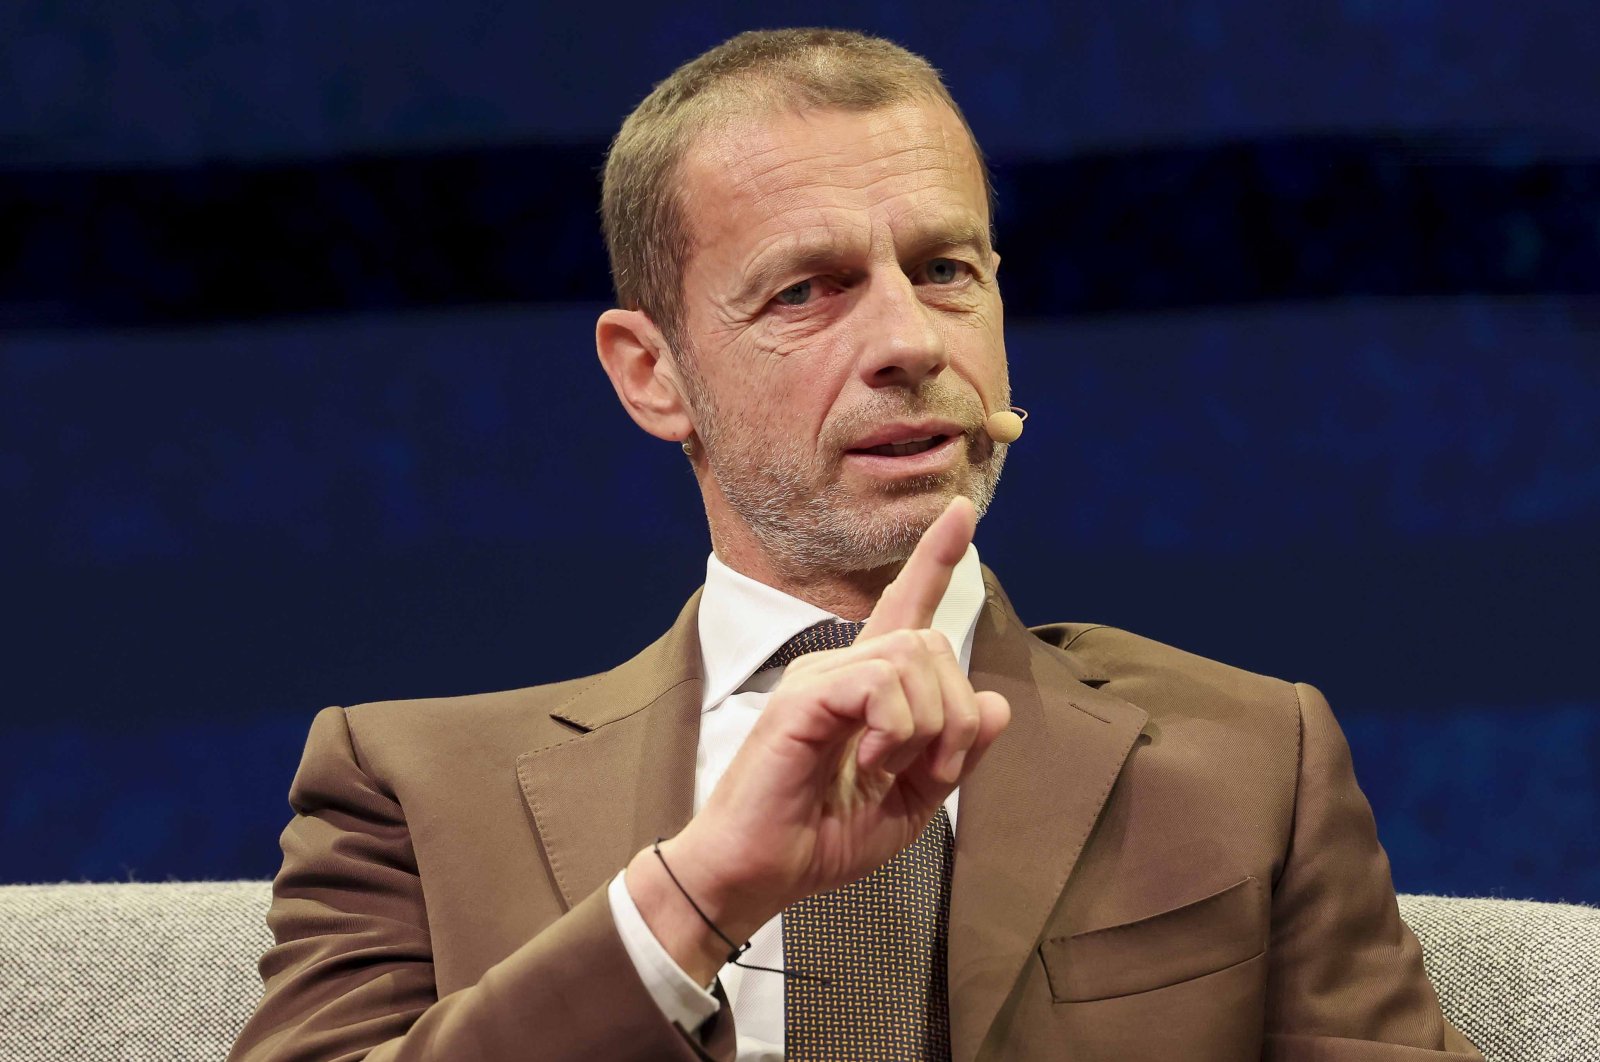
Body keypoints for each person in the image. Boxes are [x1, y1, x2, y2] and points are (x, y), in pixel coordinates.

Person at [231, 28, 1481, 1062]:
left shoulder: (1256, 759)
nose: (912, 343)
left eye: (945, 270)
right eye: (807, 290)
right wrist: (697, 895)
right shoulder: (411, 785)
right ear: (651, 374)